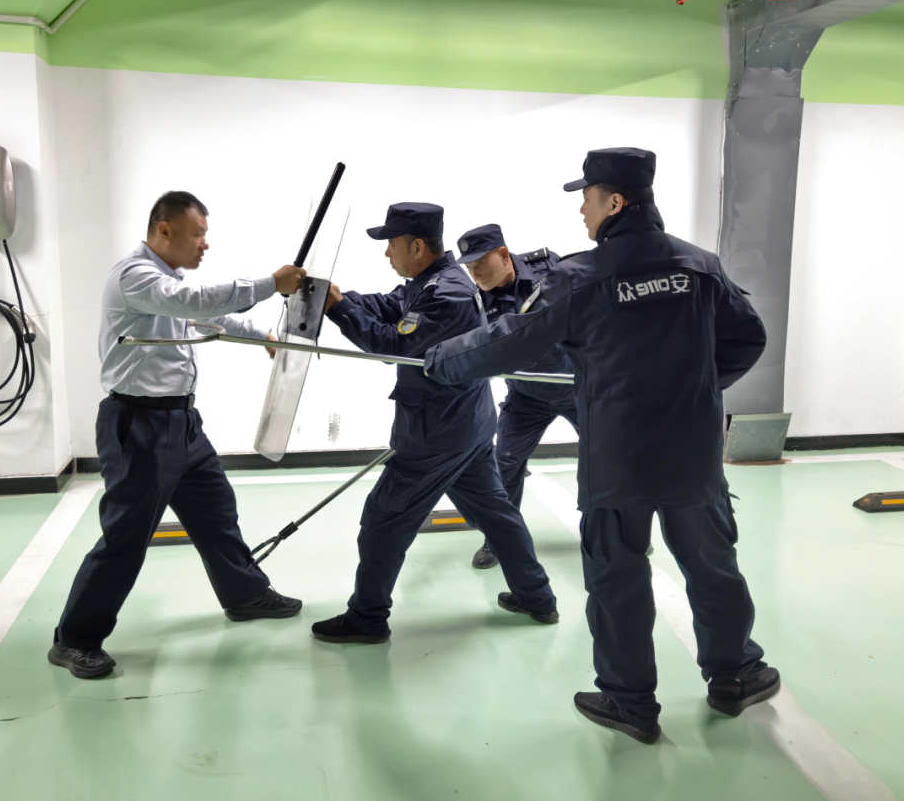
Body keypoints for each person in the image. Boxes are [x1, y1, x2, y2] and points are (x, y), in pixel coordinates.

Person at [424, 150, 779, 744]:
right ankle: (736, 675)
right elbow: (749, 336)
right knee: (712, 564)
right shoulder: (699, 265)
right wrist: (695, 386)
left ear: (615, 202)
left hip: (618, 452)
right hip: (692, 448)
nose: (581, 212)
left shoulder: (580, 277)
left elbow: (510, 341)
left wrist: (440, 360)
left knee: (617, 574)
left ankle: (629, 701)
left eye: (586, 199)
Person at [50, 190, 306, 679]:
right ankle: (74, 639)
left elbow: (204, 315)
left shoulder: (165, 283)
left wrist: (262, 336)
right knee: (126, 536)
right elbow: (193, 301)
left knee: (216, 512)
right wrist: (270, 284)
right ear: (164, 230)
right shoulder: (135, 277)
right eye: (198, 234)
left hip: (182, 423)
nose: (205, 244)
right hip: (139, 425)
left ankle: (245, 595)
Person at [310, 202, 560, 645]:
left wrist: (337, 309)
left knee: (384, 519)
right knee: (497, 515)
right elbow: (390, 306)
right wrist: (340, 297)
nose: (386, 253)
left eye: (392, 244)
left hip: (437, 433)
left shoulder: (448, 295)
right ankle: (536, 598)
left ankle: (367, 618)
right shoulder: (429, 283)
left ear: (417, 247)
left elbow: (393, 345)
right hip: (466, 425)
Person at [456, 224, 578, 570]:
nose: (476, 274)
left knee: (608, 461)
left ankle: (623, 533)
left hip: (579, 388)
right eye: (470, 267)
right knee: (504, 463)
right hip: (527, 397)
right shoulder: (474, 299)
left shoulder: (549, 268)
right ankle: (499, 540)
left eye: (481, 264)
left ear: (504, 255)